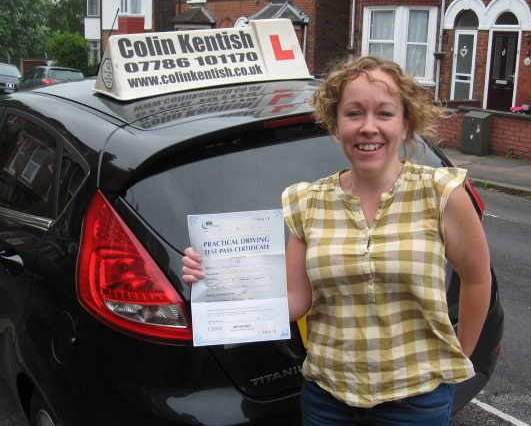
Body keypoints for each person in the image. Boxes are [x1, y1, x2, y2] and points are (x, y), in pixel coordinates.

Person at [182, 55, 492, 426]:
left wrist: (463, 357)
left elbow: (477, 279)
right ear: (335, 124)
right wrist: (216, 280)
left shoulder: (441, 192)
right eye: (354, 113)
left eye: (384, 114)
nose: (368, 127)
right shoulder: (307, 202)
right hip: (328, 399)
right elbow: (296, 301)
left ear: (406, 124)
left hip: (416, 399)